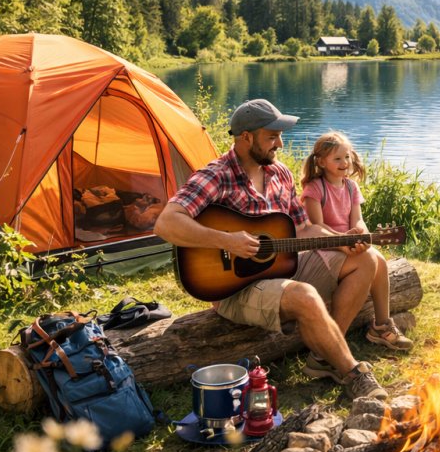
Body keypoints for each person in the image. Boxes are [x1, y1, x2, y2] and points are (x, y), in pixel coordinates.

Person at [153, 98, 388, 401]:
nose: (279, 143)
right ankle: (353, 372)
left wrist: (338, 239)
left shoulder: (280, 173)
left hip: (281, 268)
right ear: (246, 137)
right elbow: (166, 224)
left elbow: (303, 228)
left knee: (365, 258)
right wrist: (226, 240)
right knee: (304, 296)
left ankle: (323, 358)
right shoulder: (216, 175)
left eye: (280, 135)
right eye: (271, 135)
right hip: (234, 287)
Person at [300, 130, 412, 352]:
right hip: (325, 246)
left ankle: (381, 325)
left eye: (347, 157)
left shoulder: (351, 187)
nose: (345, 163)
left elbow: (358, 220)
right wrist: (342, 239)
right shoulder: (315, 189)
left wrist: (361, 232)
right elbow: (317, 227)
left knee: (379, 259)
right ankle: (333, 342)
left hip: (349, 243)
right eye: (337, 158)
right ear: (321, 162)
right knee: (369, 258)